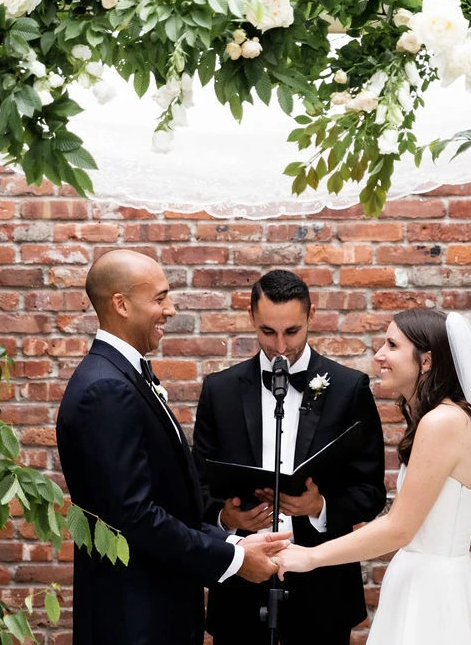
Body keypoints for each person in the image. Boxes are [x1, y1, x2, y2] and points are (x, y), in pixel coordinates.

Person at [275, 309, 471, 645]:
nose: (379, 355)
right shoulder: (440, 419)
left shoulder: (442, 423)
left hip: (434, 597)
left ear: (426, 362)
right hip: (423, 584)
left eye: (392, 345)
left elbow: (399, 528)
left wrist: (311, 556)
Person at [56, 250, 290, 645]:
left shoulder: (121, 375)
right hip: (134, 618)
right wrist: (233, 561)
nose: (171, 309)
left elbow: (163, 502)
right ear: (122, 304)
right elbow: (133, 515)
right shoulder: (107, 388)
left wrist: (232, 540)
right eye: (160, 298)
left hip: (152, 609)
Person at [192, 270, 386, 645]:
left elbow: (370, 491)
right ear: (251, 318)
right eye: (268, 332)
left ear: (311, 315)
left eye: (292, 332)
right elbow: (198, 483)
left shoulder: (349, 388)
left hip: (323, 585)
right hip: (240, 582)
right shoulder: (220, 390)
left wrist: (320, 506)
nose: (280, 345)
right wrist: (224, 517)